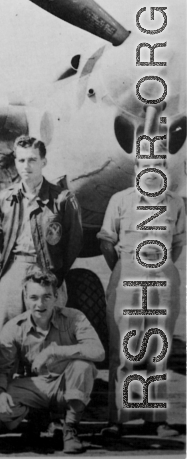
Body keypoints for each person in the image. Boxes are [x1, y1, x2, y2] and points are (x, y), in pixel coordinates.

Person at [97, 157, 184, 438]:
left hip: (162, 277)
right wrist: (125, 269)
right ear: (135, 170)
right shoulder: (119, 200)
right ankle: (117, 419)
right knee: (123, 350)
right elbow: (106, 240)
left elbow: (178, 243)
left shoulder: (176, 203)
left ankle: (156, 420)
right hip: (126, 273)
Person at [0, 269, 105, 454]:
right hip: (37, 387)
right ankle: (38, 418)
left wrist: (54, 351)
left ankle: (70, 430)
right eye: (33, 297)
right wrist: (1, 393)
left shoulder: (74, 317)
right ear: (25, 297)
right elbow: (1, 369)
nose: (40, 304)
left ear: (56, 296)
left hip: (66, 383)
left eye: (46, 297)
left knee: (83, 367)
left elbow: (98, 352)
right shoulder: (14, 327)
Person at [0, 135, 83, 336]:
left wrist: (56, 274)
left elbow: (74, 243)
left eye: (32, 160)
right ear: (15, 162)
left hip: (48, 271)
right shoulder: (5, 199)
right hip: (14, 268)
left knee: (48, 337)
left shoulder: (63, 199)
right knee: (7, 336)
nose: (26, 166)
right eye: (21, 160)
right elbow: (1, 236)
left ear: (44, 162)